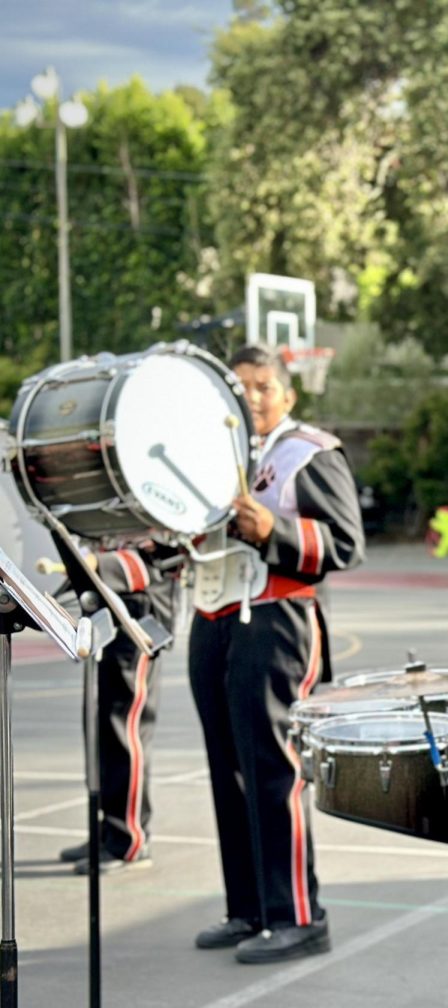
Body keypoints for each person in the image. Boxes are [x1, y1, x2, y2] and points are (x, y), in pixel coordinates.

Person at [189, 344, 365, 964]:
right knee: (226, 768)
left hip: (277, 618)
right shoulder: (212, 454)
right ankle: (249, 910)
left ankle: (297, 915)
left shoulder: (308, 452)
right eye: (241, 387)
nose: (253, 397)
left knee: (271, 768)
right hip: (213, 617)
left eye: (264, 386)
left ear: (288, 395)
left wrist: (274, 531)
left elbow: (345, 541)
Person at [58, 546, 180, 873]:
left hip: (139, 616)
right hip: (105, 609)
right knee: (100, 727)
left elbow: (169, 553)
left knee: (124, 728)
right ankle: (108, 827)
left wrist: (101, 563)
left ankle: (129, 838)